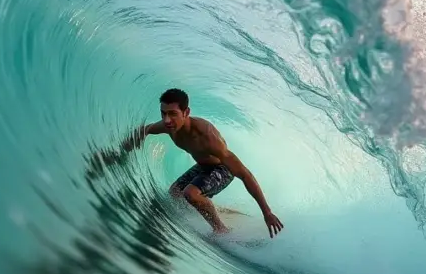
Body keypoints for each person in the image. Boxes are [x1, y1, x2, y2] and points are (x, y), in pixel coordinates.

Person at [89, 88, 283, 237]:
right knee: (174, 194)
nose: (167, 119)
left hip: (222, 169)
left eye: (172, 113)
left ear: (186, 112)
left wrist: (267, 212)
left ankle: (220, 228)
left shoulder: (207, 136)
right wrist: (118, 154)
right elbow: (144, 130)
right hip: (203, 166)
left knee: (190, 194)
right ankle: (217, 209)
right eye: (163, 113)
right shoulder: (170, 127)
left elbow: (244, 174)